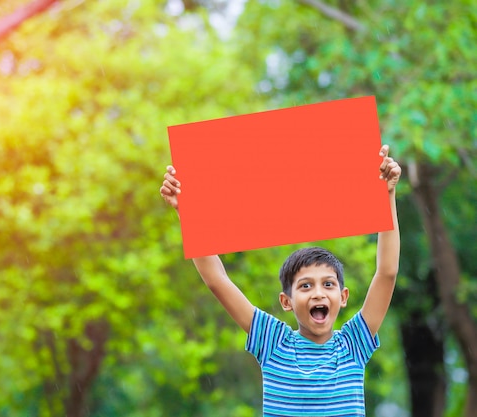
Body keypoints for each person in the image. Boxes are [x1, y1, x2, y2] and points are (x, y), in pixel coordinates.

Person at [159, 145, 402, 417]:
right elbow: (217, 280)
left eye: (328, 284)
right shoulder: (274, 342)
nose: (318, 293)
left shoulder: (353, 345)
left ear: (343, 297)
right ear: (286, 301)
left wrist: (387, 194)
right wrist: (188, 212)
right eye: (305, 286)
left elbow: (387, 273)